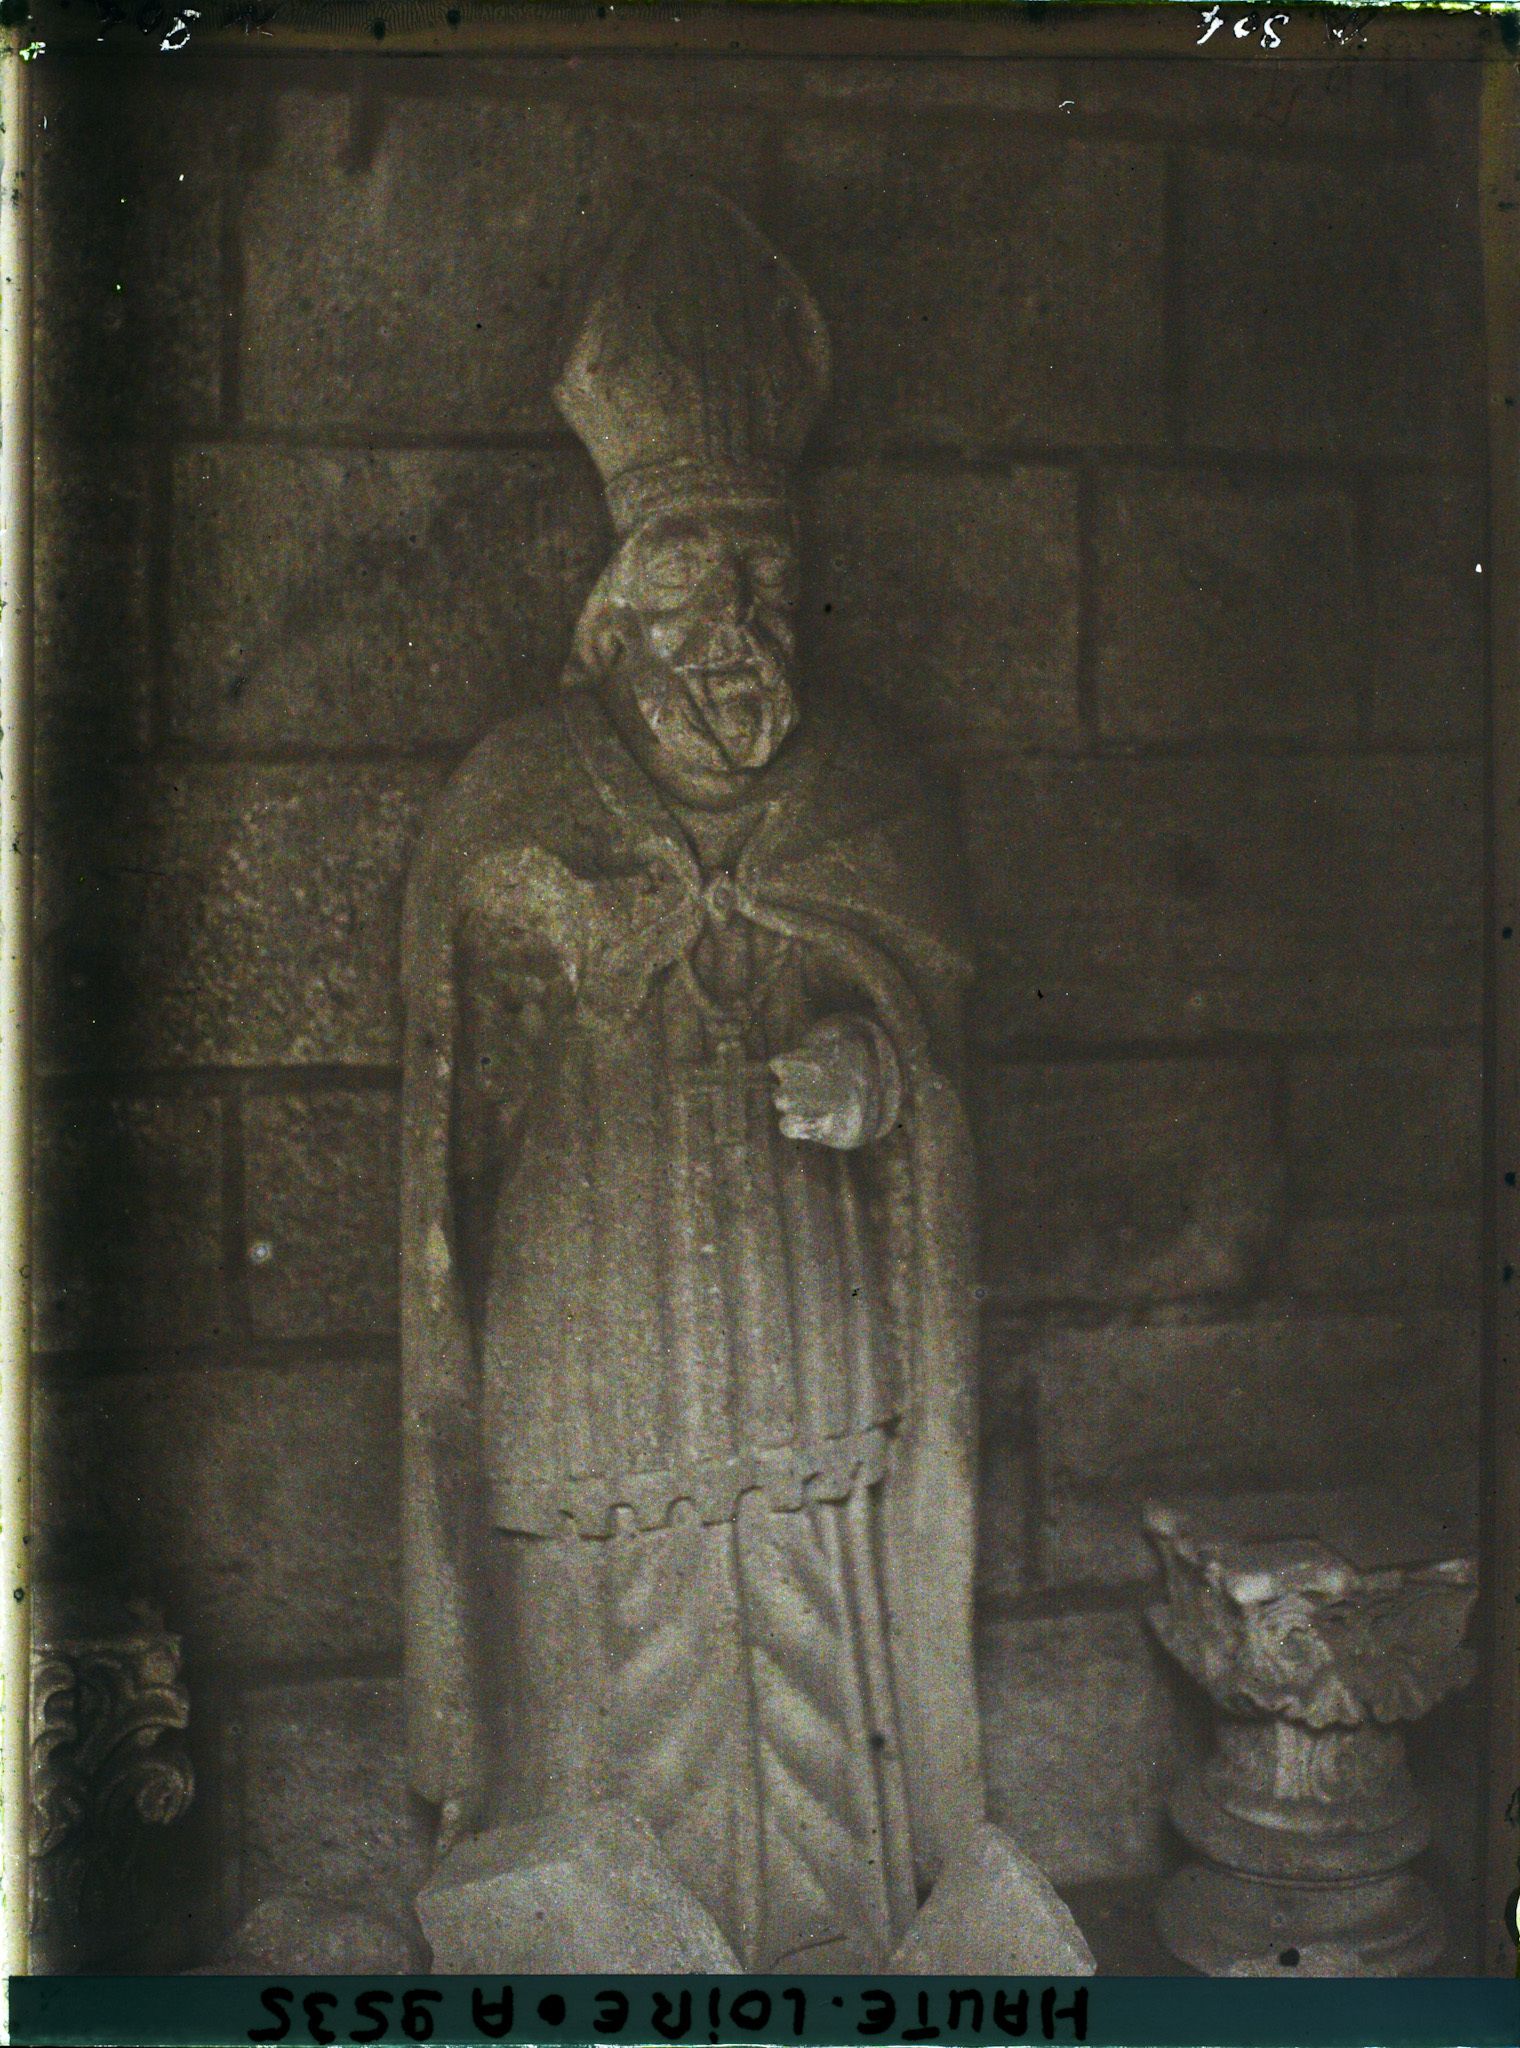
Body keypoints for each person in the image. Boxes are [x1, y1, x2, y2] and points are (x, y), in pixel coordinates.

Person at [400, 185, 984, 1970]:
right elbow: (449, 1101)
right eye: (693, 587)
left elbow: (933, 1032)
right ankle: (596, 1935)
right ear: (614, 615)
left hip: (805, 1320)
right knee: (607, 1616)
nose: (737, 629)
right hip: (596, 1323)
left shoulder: (869, 793)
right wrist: (539, 940)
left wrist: (879, 1082)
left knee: (806, 1602)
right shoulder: (518, 786)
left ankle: (826, 1942)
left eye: (763, 584)